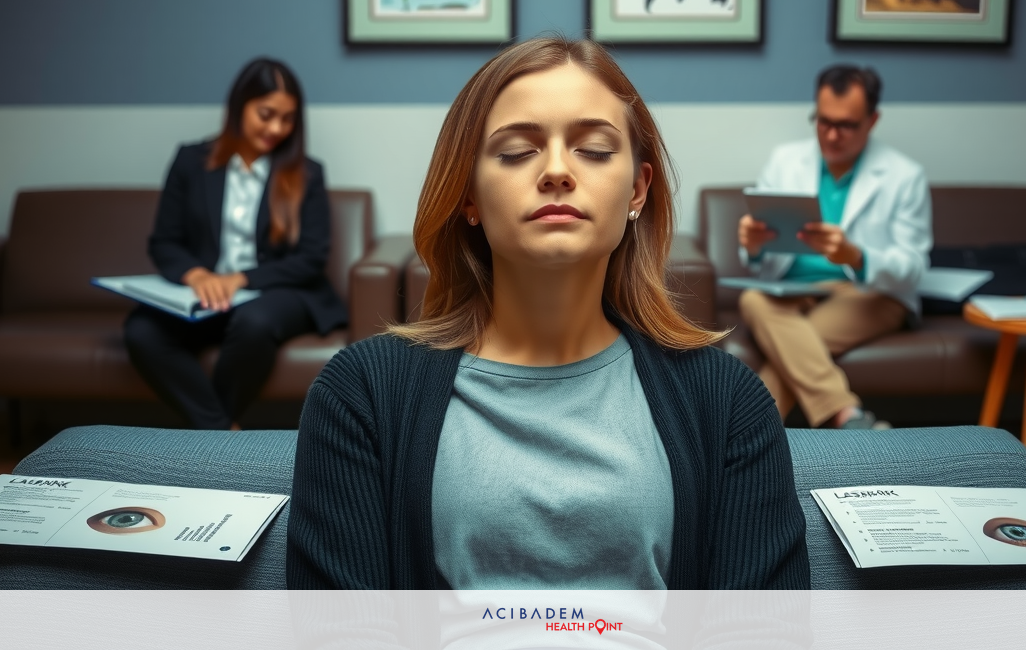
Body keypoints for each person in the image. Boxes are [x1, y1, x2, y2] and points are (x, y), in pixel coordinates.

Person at [287, 37, 809, 590]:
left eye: (595, 150)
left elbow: (760, 631)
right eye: (516, 152)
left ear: (637, 189)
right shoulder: (361, 394)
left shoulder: (729, 402)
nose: (557, 171)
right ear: (468, 195)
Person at [124, 58, 345, 430]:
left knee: (253, 322)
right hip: (207, 295)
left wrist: (239, 279)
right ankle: (222, 431)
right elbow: (164, 242)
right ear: (239, 106)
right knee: (142, 331)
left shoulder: (307, 173)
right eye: (266, 114)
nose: (276, 128)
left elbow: (311, 258)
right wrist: (196, 275)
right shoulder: (190, 161)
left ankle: (213, 435)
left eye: (287, 118)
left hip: (279, 292)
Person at [737, 65, 931, 430]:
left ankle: (743, 439)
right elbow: (757, 258)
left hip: (866, 292)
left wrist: (856, 257)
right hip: (794, 288)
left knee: (794, 342)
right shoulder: (785, 160)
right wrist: (754, 246)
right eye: (822, 121)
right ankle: (849, 415)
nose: (830, 134)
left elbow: (915, 266)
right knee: (752, 299)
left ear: (873, 121)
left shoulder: (906, 176)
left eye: (845, 125)